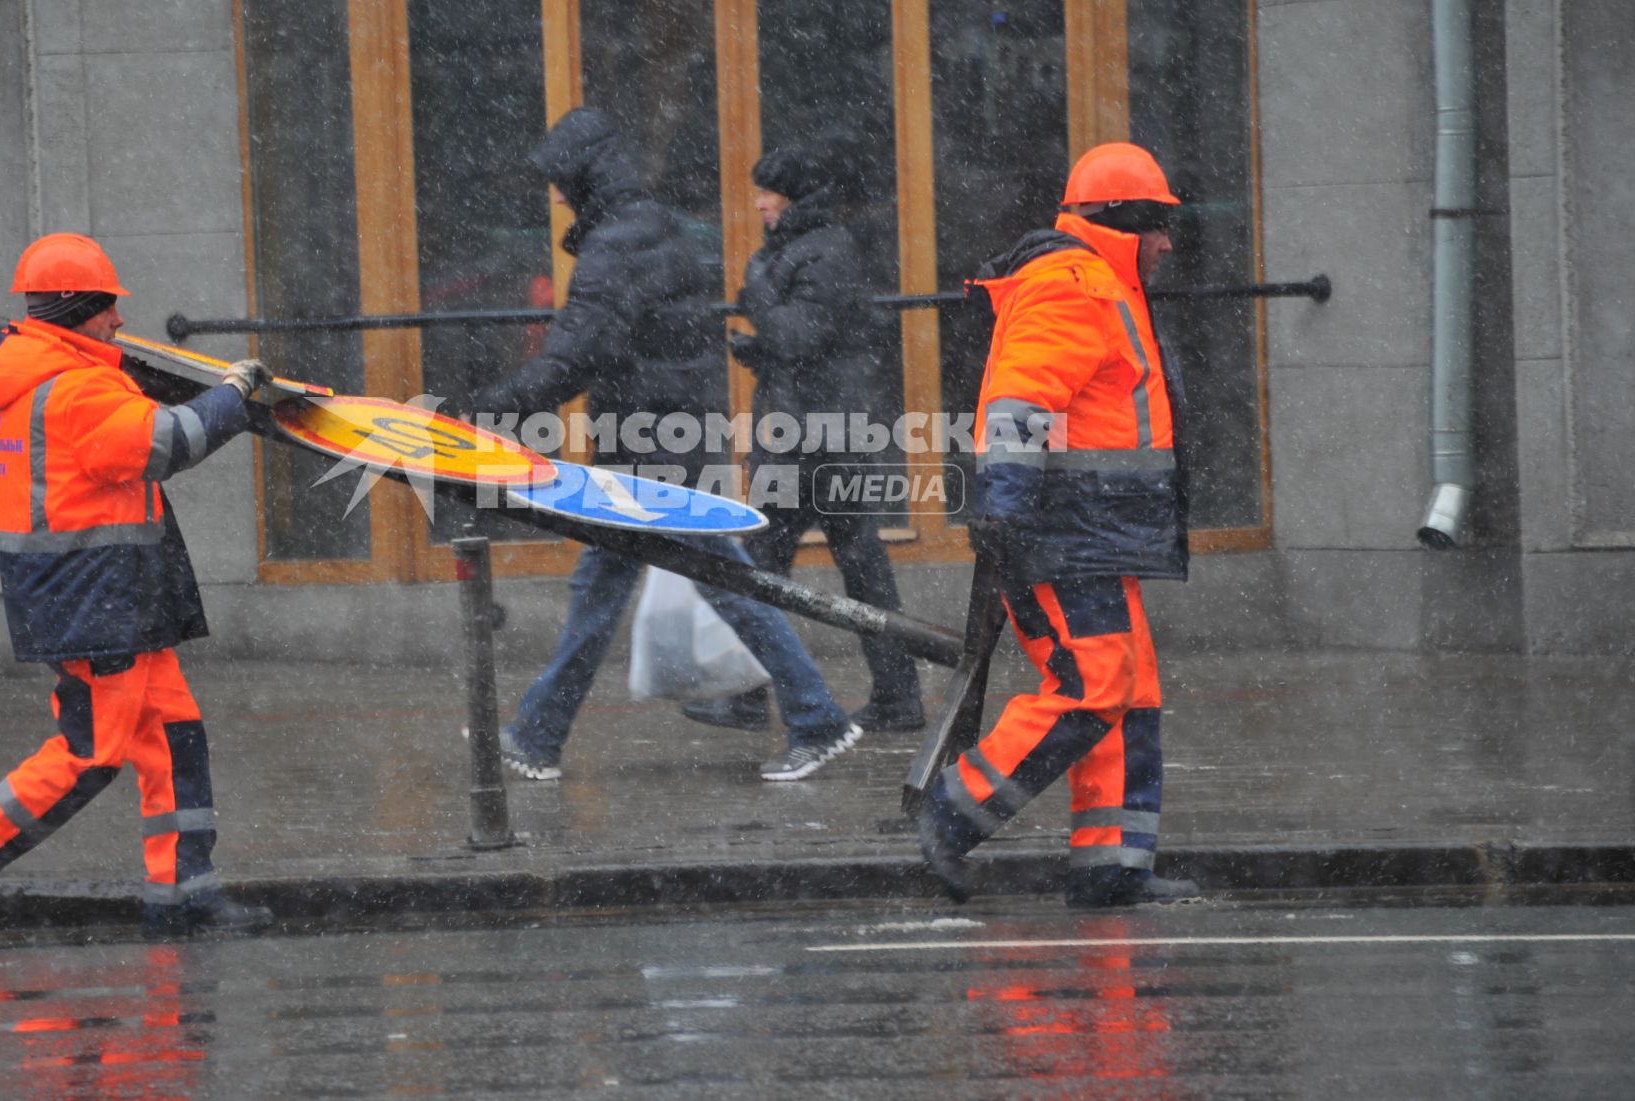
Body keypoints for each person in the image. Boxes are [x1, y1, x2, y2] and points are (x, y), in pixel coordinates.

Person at [0, 233, 277, 946]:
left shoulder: (30, 379)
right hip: (97, 602)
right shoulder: (75, 387)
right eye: (108, 311)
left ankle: (185, 892)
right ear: (78, 309)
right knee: (90, 752)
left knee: (172, 734)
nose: (119, 323)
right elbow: (165, 444)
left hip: (96, 598)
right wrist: (233, 397)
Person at [472, 107, 861, 783]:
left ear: (586, 176)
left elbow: (576, 352)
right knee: (607, 585)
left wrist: (496, 407)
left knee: (726, 583)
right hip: (659, 437)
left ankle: (817, 715)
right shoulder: (642, 229)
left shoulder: (619, 245)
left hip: (655, 447)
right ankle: (537, 735)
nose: (557, 195)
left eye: (562, 180)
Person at [914, 143, 1202, 909]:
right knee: (1093, 682)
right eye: (1160, 224)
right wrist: (1005, 509)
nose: (1170, 243)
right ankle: (952, 809)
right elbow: (1020, 403)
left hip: (1092, 532)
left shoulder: (1102, 283)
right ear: (1125, 220)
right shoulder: (1075, 285)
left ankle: (1112, 868)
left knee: (1127, 689)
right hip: (1062, 531)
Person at [680, 145, 924, 735]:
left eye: (769, 193)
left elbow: (799, 333)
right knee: (851, 564)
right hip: (819, 428)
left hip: (813, 438)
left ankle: (751, 697)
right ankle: (895, 698)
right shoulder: (812, 247)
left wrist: (758, 285)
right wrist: (759, 349)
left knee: (767, 565)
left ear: (793, 198)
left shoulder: (819, 251)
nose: (760, 203)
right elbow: (812, 343)